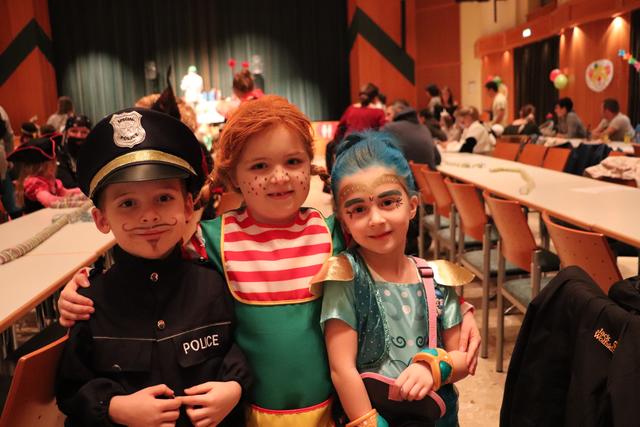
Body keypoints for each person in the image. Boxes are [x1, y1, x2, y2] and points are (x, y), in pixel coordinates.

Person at [57, 96, 481, 426]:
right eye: (259, 165)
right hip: (246, 411)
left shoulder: (335, 230)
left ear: (311, 166)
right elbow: (156, 270)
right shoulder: (210, 239)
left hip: (331, 409)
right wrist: (81, 286)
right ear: (232, 176)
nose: (279, 177)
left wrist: (455, 307)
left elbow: (390, 262)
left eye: (293, 162)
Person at [55, 107, 252, 426]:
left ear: (188, 205)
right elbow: (70, 390)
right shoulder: (90, 303)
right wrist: (114, 407)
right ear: (101, 219)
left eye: (163, 198)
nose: (148, 216)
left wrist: (234, 387)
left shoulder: (214, 284)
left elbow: (239, 348)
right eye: (127, 203)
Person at [314, 132, 471, 426]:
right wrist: (368, 421)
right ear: (343, 218)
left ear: (412, 206)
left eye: (388, 202)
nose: (375, 219)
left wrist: (436, 366)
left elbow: (464, 357)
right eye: (358, 209)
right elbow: (341, 368)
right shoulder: (347, 276)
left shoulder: (437, 278)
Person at [7, 134, 86, 213]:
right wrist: (79, 203)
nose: (56, 165)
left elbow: (65, 192)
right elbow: (50, 201)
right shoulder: (34, 183)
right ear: (42, 167)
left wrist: (85, 192)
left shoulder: (49, 179)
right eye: (53, 163)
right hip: (36, 221)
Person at [384, 101, 441, 171]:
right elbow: (438, 158)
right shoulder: (424, 128)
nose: (385, 118)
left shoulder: (389, 128)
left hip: (405, 180)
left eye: (388, 114)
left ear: (398, 113)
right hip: (427, 179)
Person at [56, 115, 91, 189]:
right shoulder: (59, 154)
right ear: (66, 133)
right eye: (74, 131)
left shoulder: (96, 154)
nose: (79, 136)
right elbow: (67, 184)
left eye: (84, 132)